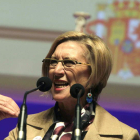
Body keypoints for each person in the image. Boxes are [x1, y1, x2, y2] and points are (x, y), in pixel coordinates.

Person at [1, 31, 140, 140]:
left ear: (95, 74)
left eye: (69, 63)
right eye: (53, 62)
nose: (56, 70)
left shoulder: (124, 136)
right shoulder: (26, 126)